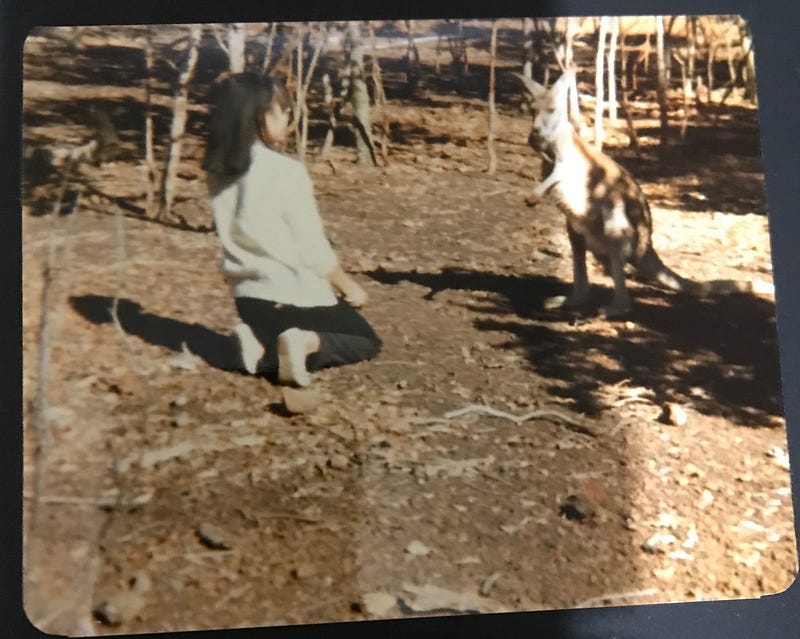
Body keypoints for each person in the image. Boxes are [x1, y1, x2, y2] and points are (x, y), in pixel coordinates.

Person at [202, 72, 381, 387]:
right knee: (363, 340)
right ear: (262, 115)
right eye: (284, 112)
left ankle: (258, 345)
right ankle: (301, 342)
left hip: (247, 297)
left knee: (278, 334)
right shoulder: (285, 171)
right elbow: (312, 248)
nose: (288, 119)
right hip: (291, 293)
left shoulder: (219, 170)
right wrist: (349, 286)